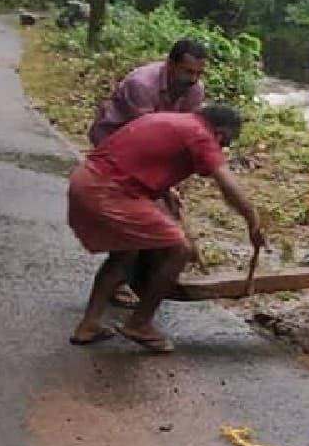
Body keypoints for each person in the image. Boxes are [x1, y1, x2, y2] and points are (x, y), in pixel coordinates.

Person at [67, 106, 265, 353]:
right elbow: (227, 184)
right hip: (108, 192)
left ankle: (89, 324)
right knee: (179, 249)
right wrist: (253, 220)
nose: (221, 150)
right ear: (221, 134)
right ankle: (139, 323)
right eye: (224, 145)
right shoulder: (201, 134)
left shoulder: (174, 120)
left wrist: (165, 191)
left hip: (84, 181)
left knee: (125, 252)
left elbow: (137, 157)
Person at [87, 39, 210, 308]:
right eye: (188, 72)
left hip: (155, 149)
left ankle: (143, 278)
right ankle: (116, 284)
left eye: (199, 73)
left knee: (162, 213)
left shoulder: (195, 91)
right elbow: (142, 142)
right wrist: (163, 187)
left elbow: (186, 137)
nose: (194, 79)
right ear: (170, 64)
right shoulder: (141, 85)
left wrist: (176, 182)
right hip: (116, 146)